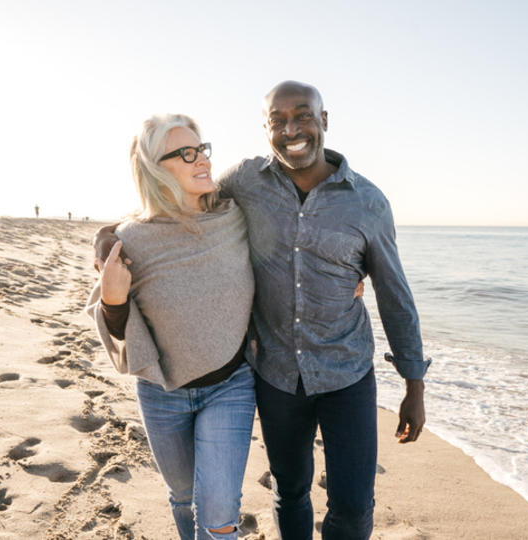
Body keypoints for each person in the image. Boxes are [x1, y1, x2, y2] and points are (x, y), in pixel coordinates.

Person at [95, 81, 429, 539]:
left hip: (346, 372)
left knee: (353, 508)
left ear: (324, 121)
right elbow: (174, 206)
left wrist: (415, 383)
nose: (292, 130)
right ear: (266, 129)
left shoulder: (368, 202)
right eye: (278, 121)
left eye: (303, 116)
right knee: (290, 491)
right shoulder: (245, 182)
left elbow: (395, 294)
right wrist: (108, 233)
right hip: (274, 375)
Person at [86, 114, 255, 540]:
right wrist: (112, 300)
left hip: (231, 385)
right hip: (162, 393)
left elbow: (290, 237)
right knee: (182, 496)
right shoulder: (132, 240)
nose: (202, 160)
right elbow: (121, 333)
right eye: (186, 153)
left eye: (202, 149)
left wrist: (347, 277)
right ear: (155, 169)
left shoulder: (234, 218)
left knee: (218, 514)